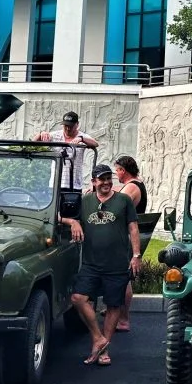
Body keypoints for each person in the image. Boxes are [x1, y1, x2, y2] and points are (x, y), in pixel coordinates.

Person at [59, 163, 141, 366]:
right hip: (91, 263)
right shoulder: (85, 201)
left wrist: (136, 255)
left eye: (108, 178)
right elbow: (59, 217)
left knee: (113, 305)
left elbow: (133, 228)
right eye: (101, 179)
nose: (105, 182)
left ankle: (104, 351)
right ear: (94, 181)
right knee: (78, 298)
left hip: (117, 264)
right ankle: (98, 337)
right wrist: (73, 222)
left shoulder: (123, 200)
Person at [112, 155, 148, 332]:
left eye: (116, 170)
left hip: (125, 237)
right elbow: (120, 191)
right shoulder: (135, 184)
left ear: (123, 170)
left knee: (123, 279)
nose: (115, 174)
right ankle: (117, 311)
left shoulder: (132, 187)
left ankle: (124, 320)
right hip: (127, 235)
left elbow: (115, 205)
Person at [33, 111, 99, 189]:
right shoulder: (55, 135)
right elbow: (33, 143)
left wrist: (81, 139)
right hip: (55, 184)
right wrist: (41, 134)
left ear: (77, 124)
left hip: (74, 185)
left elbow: (95, 144)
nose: (68, 129)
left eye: (71, 126)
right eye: (66, 126)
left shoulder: (82, 136)